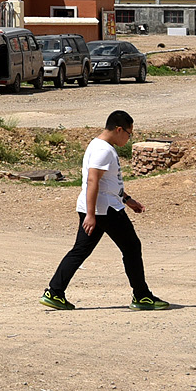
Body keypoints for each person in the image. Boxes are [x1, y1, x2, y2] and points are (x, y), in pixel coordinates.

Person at [42, 109, 170, 311]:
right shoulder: (104, 150)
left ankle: (54, 292)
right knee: (132, 247)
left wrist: (127, 199)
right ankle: (142, 296)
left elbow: (109, 183)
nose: (129, 138)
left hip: (98, 207)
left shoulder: (99, 145)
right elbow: (93, 181)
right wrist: (92, 215)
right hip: (105, 210)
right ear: (119, 129)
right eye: (129, 133)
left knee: (80, 250)